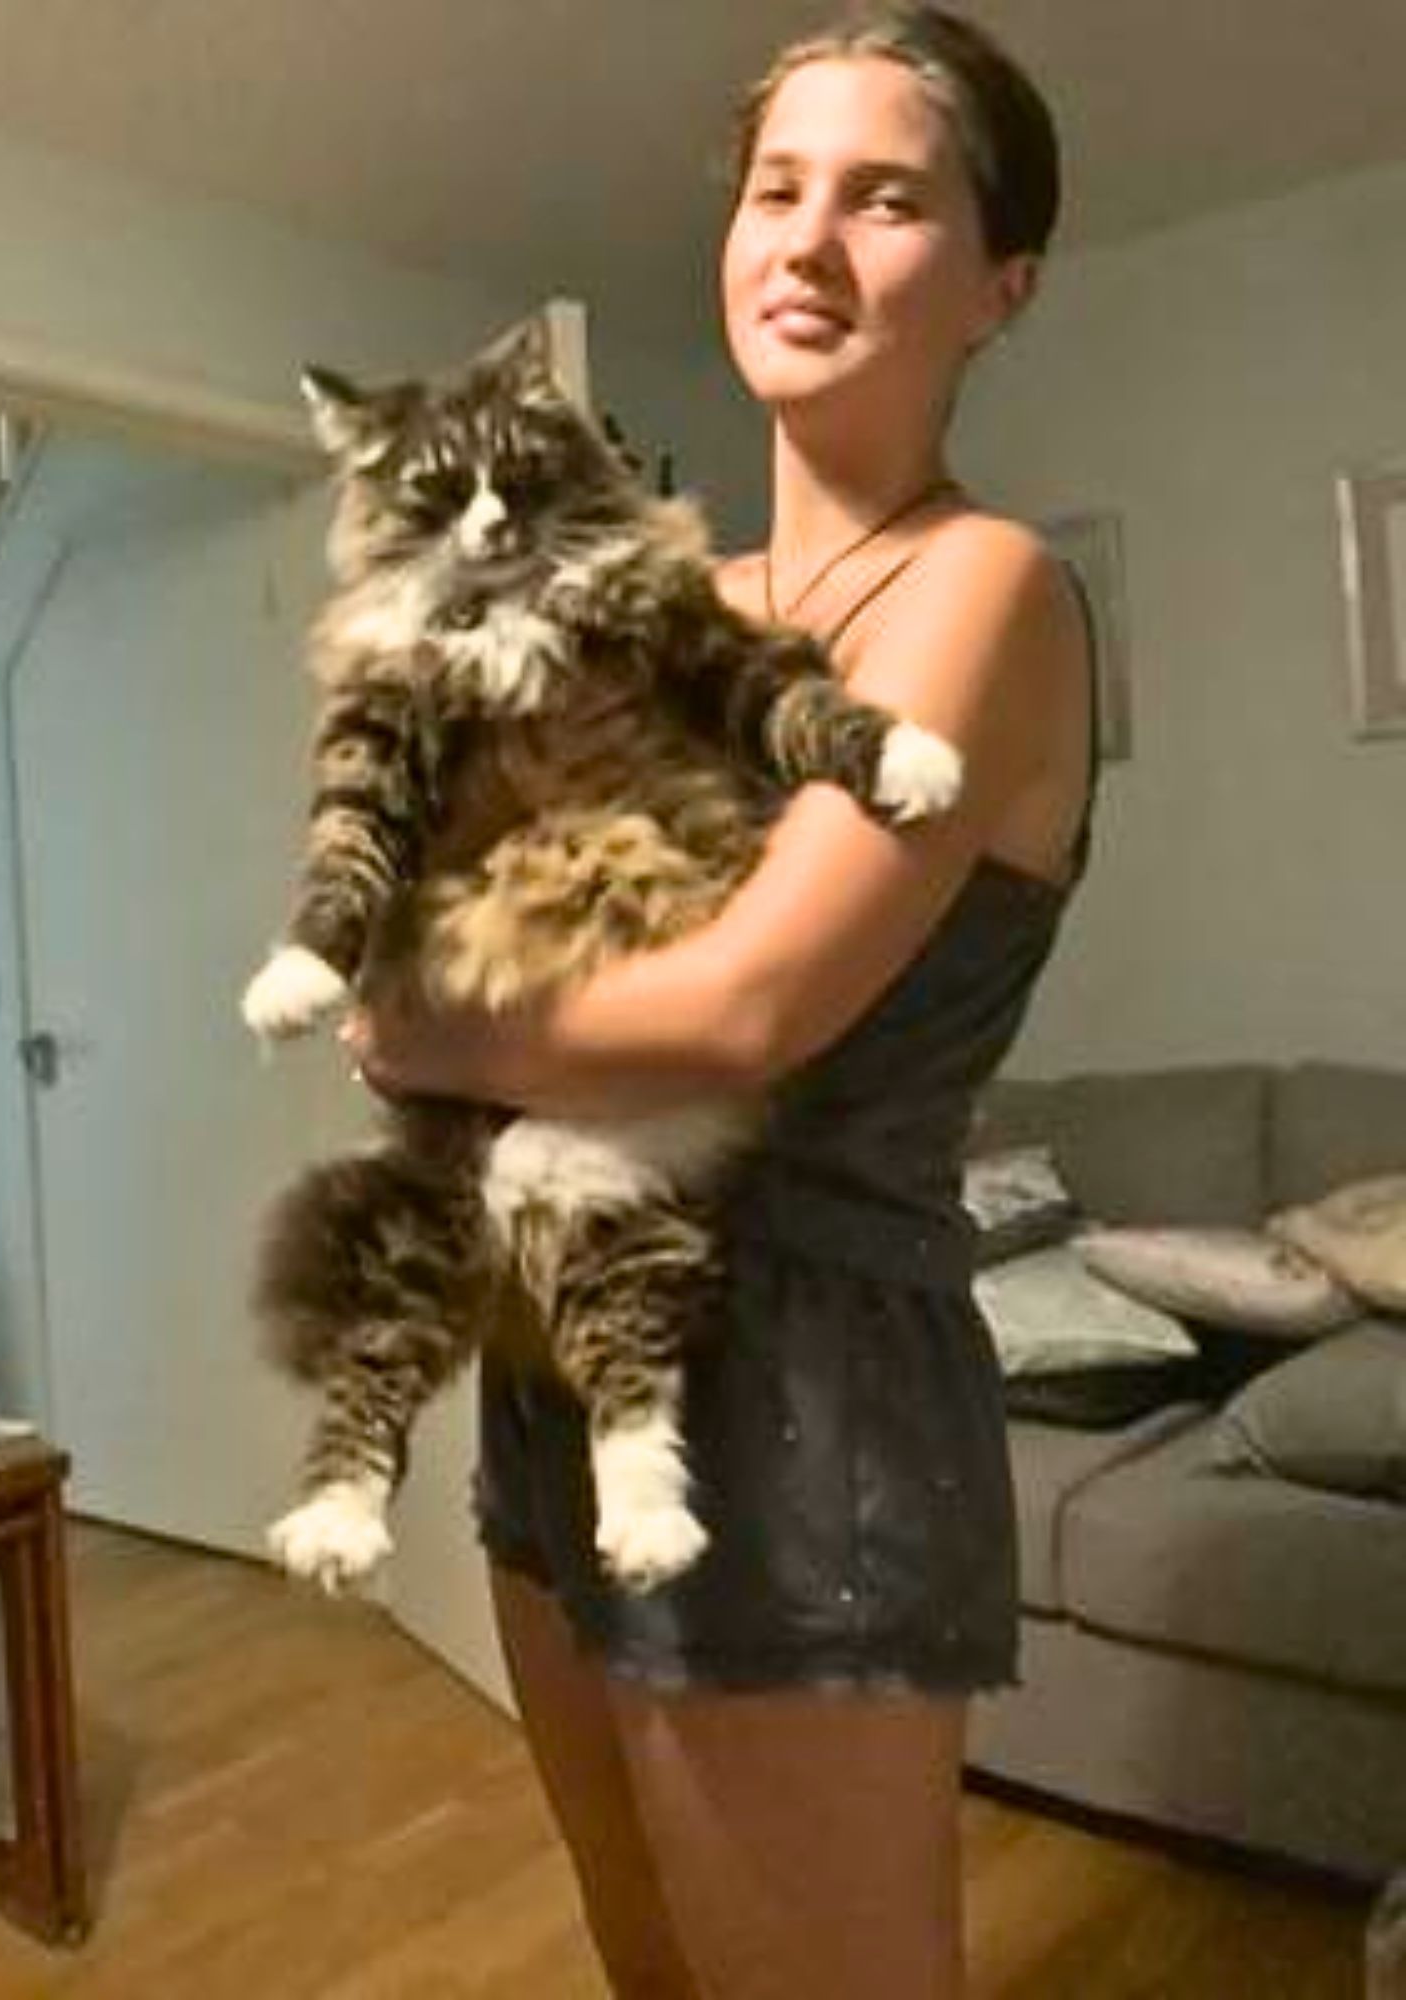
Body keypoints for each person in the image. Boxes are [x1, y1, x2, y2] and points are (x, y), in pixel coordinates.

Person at [345, 5, 1094, 1994]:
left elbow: (743, 1004)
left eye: (886, 197)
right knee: (650, 1965)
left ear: (997, 284)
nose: (810, 240)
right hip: (552, 1372)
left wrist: (424, 1022)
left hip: (800, 1400)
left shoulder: (991, 590)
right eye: (778, 189)